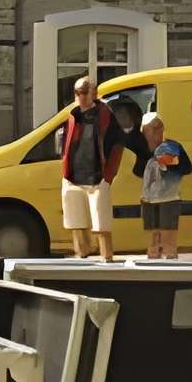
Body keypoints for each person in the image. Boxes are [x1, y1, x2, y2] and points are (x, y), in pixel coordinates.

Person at [55, 75, 138, 261]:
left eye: (84, 92)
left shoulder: (105, 114)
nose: (81, 96)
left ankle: (106, 255)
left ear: (94, 93)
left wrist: (108, 174)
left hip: (97, 176)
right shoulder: (72, 115)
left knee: (101, 220)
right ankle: (80, 253)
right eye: (77, 92)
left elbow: (118, 144)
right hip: (73, 176)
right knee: (75, 219)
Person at [137, 112, 192, 262]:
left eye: (158, 127)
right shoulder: (144, 151)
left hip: (169, 198)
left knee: (168, 231)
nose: (156, 131)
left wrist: (170, 164)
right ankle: (153, 258)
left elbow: (187, 168)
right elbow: (137, 170)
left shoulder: (173, 146)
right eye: (151, 128)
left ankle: (170, 257)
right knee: (152, 232)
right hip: (148, 199)